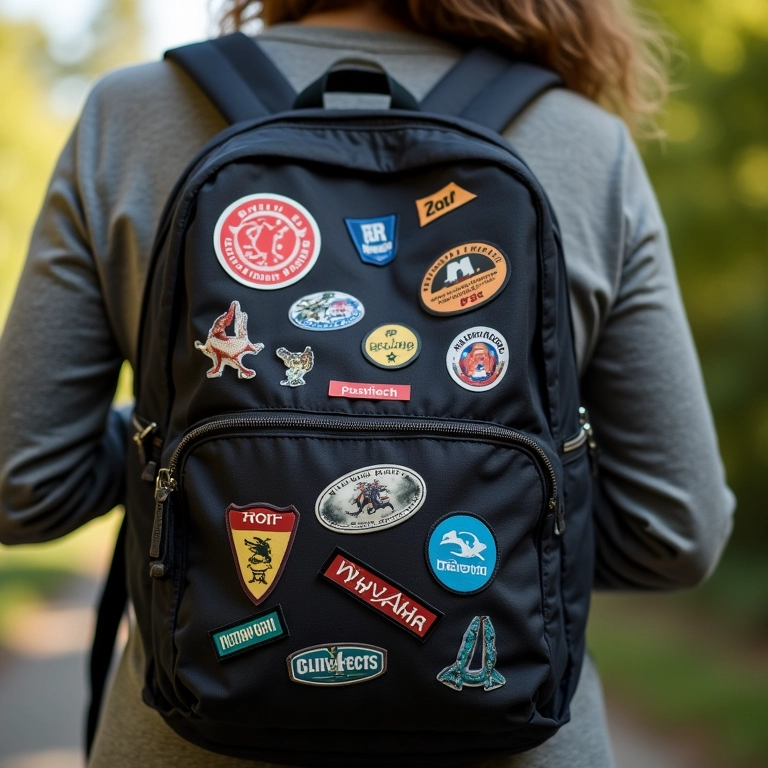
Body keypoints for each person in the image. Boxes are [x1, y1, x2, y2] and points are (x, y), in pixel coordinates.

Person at [0, 1, 735, 767]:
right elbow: (676, 532)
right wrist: (495, 529)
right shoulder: (585, 141)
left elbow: (21, 486)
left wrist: (167, 443)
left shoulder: (132, 112)